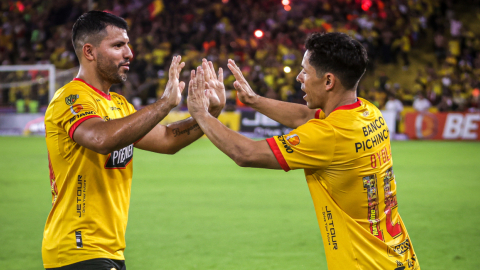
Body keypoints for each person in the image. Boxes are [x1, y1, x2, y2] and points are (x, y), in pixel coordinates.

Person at [187, 32, 420, 269]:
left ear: (328, 81)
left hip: (365, 264)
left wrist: (201, 114)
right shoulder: (369, 113)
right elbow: (304, 116)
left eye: (305, 71)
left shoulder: (329, 135)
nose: (299, 77)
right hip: (400, 257)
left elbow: (245, 153)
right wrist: (253, 100)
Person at [43, 11, 225, 270]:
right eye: (118, 45)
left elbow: (167, 139)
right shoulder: (70, 98)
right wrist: (164, 104)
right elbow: (100, 137)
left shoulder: (119, 104)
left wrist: (210, 114)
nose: (129, 53)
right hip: (77, 247)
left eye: (128, 44)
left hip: (110, 249)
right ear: (89, 51)